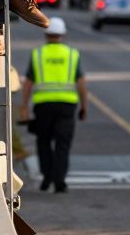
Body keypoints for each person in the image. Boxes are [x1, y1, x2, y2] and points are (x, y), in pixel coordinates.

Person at [18, 18, 87, 193]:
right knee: (63, 144)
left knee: (44, 141)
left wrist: (24, 106)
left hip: (43, 105)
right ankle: (60, 181)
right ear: (62, 34)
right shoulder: (72, 54)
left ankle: (47, 177)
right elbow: (81, 83)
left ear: (46, 34)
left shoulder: (38, 54)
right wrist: (84, 106)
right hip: (67, 105)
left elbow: (28, 83)